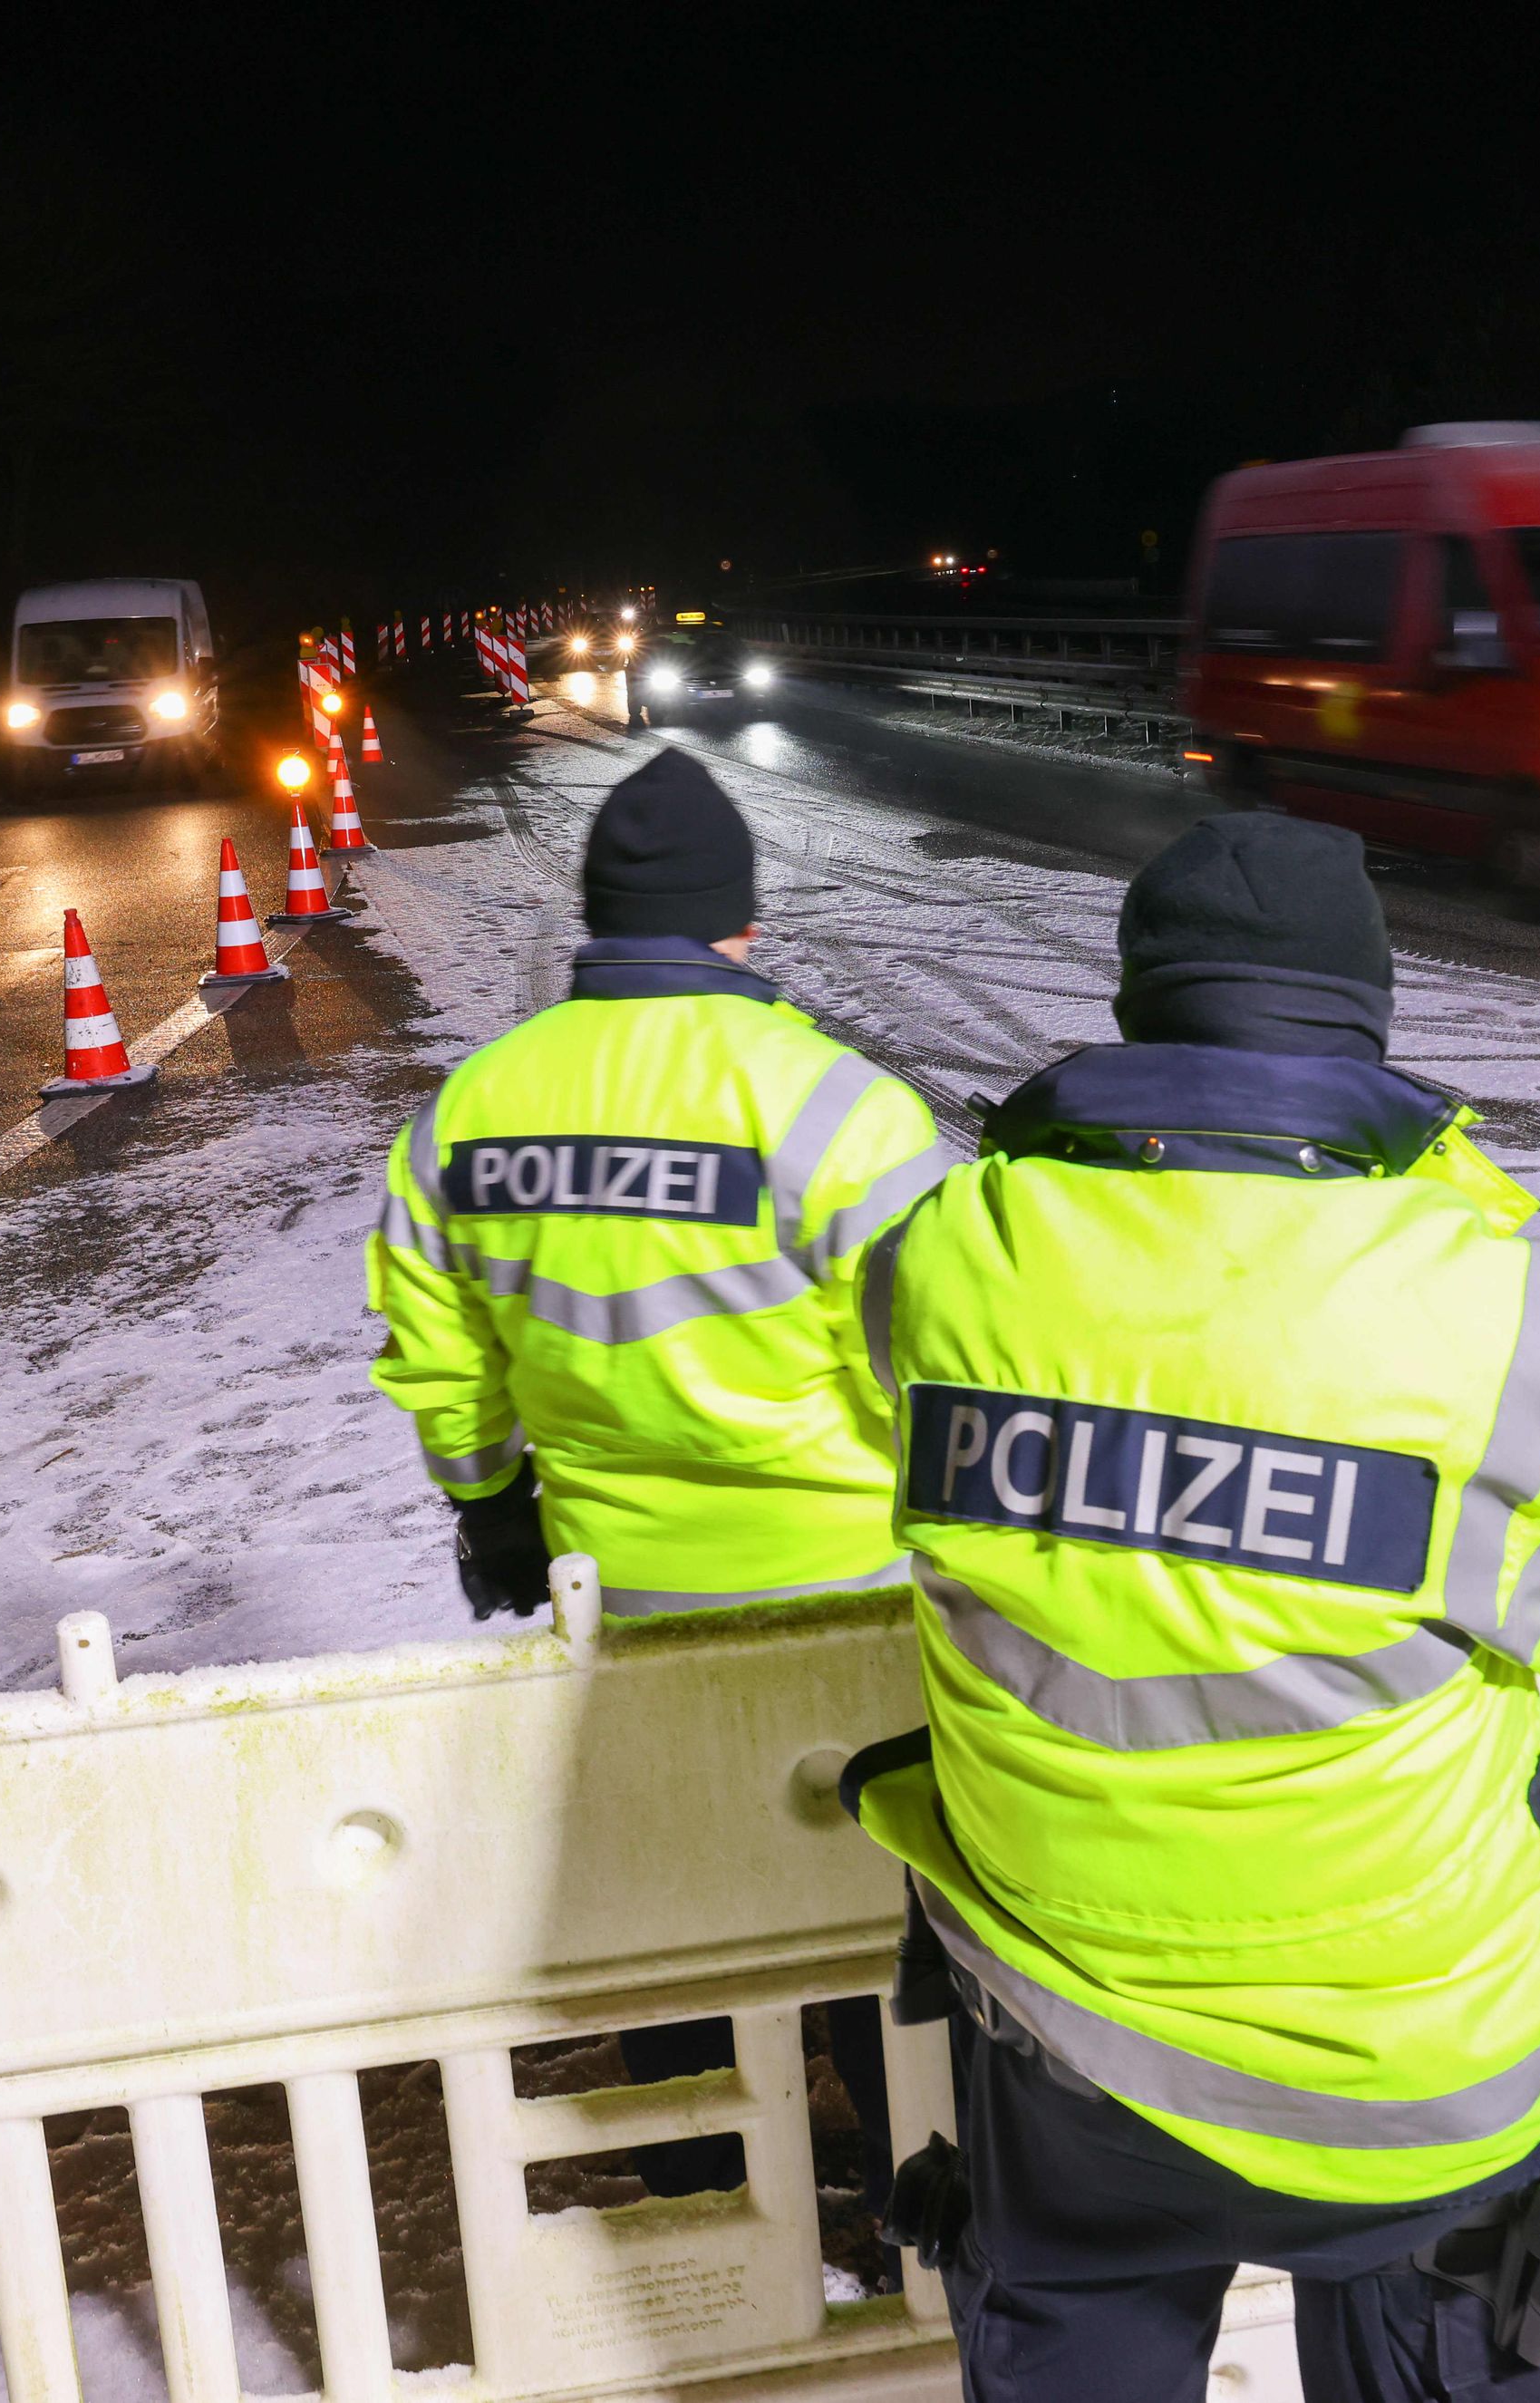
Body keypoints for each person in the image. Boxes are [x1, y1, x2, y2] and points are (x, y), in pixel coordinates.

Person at [842, 813, 1540, 2402]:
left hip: (1062, 2043)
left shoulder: (942, 1253)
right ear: (1368, 1018)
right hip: (1410, 2069)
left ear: (1139, 1009)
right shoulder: (1521, 1304)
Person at [365, 744, 944, 2193]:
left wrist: (491, 1508)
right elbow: (948, 1361)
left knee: (675, 1917)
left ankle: (706, 2207)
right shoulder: (840, 1111)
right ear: (741, 923)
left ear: (599, 919)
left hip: (614, 1599)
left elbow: (443, 1361)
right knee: (873, 1922)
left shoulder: (473, 1110)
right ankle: (906, 2193)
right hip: (855, 1606)